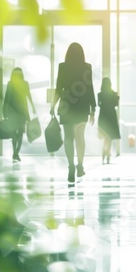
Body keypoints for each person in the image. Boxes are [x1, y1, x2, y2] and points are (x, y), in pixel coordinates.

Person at [50, 42, 96, 182]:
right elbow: (89, 89)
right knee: (80, 138)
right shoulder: (87, 67)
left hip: (66, 106)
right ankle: (80, 166)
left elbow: (58, 88)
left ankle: (71, 166)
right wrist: (93, 109)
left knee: (68, 138)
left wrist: (53, 105)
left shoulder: (62, 67)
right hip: (82, 106)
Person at [3, 67, 36, 162]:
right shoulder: (24, 84)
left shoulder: (11, 84)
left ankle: (15, 152)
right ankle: (16, 152)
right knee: (20, 133)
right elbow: (28, 96)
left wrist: (4, 111)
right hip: (21, 111)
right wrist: (32, 107)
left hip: (13, 111)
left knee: (15, 132)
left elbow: (7, 99)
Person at [97, 77, 121, 164]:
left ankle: (104, 154)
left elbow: (99, 105)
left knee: (105, 137)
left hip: (103, 116)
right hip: (111, 116)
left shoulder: (100, 94)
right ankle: (107, 155)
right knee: (109, 137)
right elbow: (116, 104)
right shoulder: (114, 94)